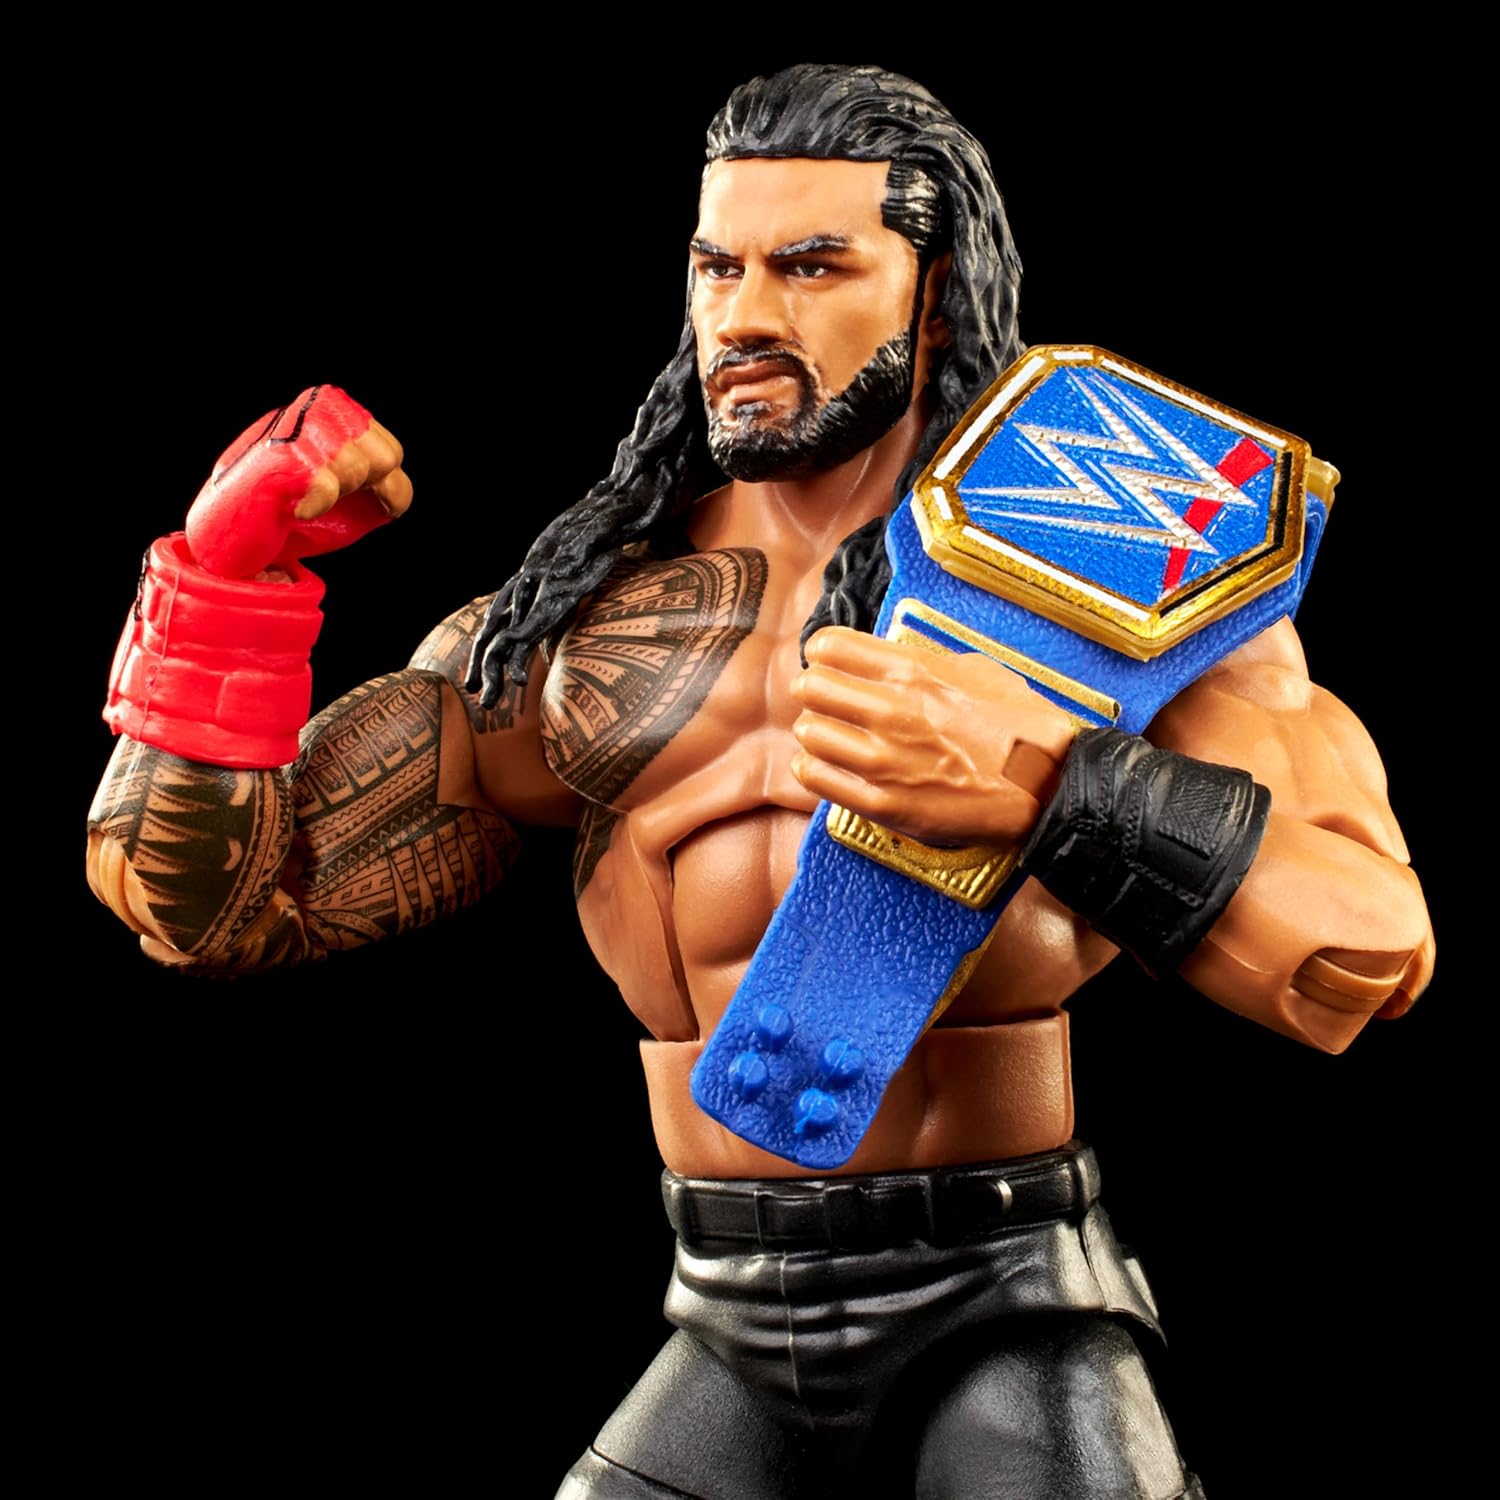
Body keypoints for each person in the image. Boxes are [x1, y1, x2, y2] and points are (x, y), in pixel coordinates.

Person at [86, 64, 1434, 1499]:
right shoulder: (590, 622)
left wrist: (1049, 779)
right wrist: (223, 594)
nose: (742, 315)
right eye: (717, 266)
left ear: (936, 292)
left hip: (1007, 1299)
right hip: (723, 1309)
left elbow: (1362, 953)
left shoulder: (1113, 587)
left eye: (811, 266)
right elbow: (221, 909)